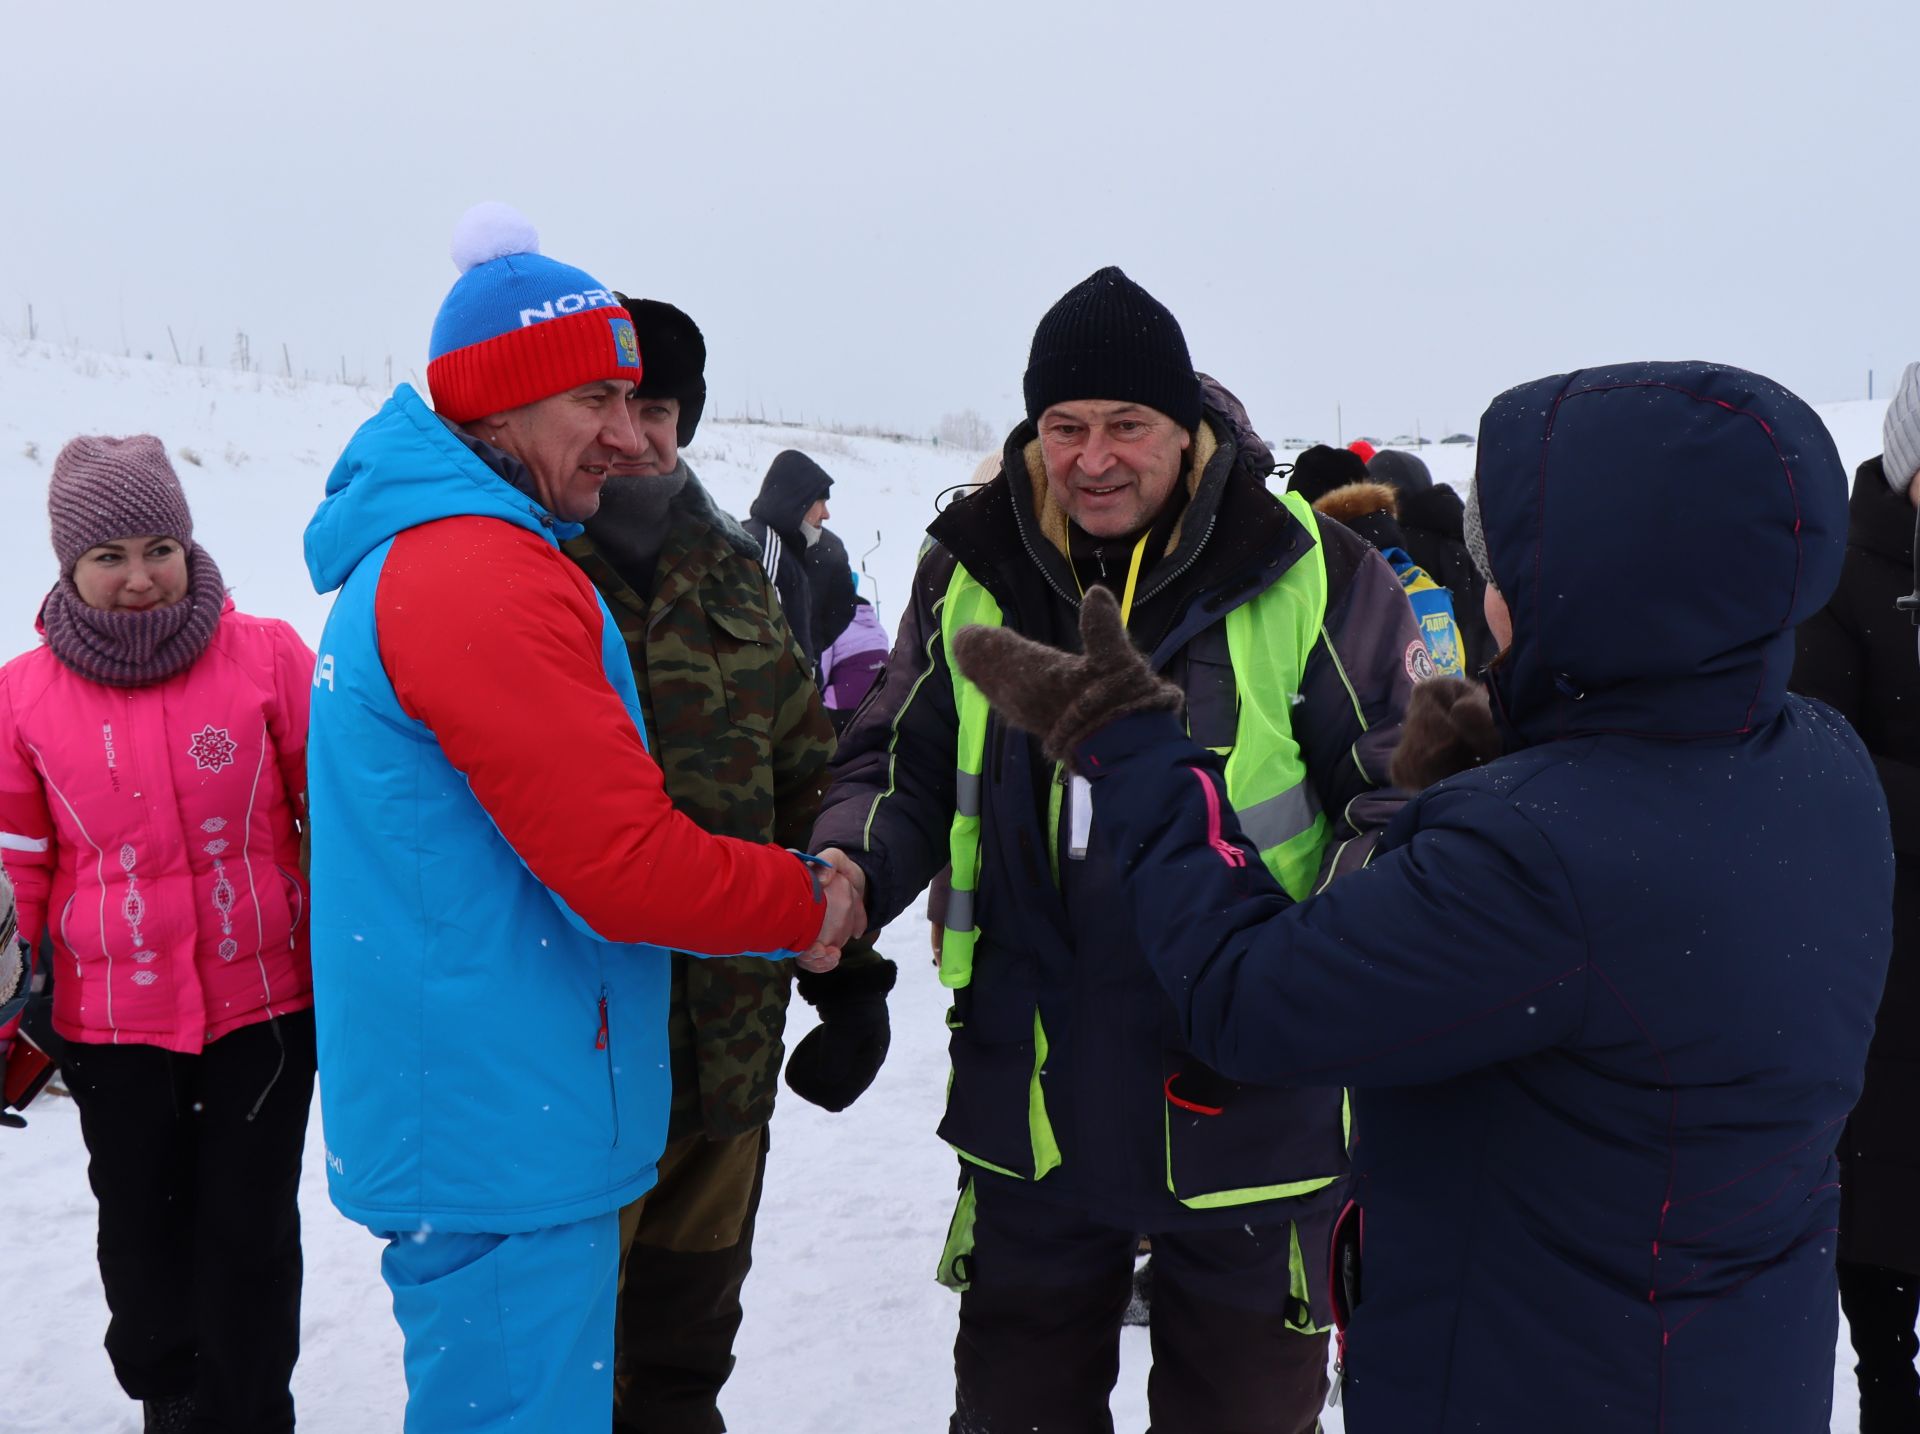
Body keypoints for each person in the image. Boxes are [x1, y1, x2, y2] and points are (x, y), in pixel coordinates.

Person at [951, 359, 1892, 1433]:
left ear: (1589, 582)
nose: (1489, 587)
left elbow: (1244, 998)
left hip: (1537, 1381)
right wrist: (1527, 753)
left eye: (1512, 559)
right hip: (1723, 1364)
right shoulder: (1819, 763)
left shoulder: (1534, 857)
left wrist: (1134, 748)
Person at [812, 265, 1422, 1434]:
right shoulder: (971, 565)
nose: (1092, 458)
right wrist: (851, 869)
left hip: (1245, 1094)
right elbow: (901, 757)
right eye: (1064, 427)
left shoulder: (1309, 571)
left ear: (1186, 431)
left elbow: (1398, 802)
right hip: (1028, 1093)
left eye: (1126, 426)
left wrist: (1310, 973)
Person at [301, 204, 862, 1434]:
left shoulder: (466, 555)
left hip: (503, 1102)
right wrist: (808, 903)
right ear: (498, 405)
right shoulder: (477, 573)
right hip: (503, 1121)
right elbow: (621, 864)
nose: (627, 437)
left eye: (633, 400)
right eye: (594, 402)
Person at [560, 293, 897, 1433]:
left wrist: (849, 976)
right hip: (572, 1066)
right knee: (562, 1375)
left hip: (727, 1057)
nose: (632, 436)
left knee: (682, 1365)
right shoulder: (520, 564)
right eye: (603, 404)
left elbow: (809, 771)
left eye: (655, 409)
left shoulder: (733, 569)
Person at [0, 435, 318, 1434]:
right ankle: (169, 1397)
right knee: (141, 1233)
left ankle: (252, 1410)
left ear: (188, 544)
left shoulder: (265, 654)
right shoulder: (21, 696)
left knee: (249, 1232)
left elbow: (342, 813)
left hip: (265, 1010)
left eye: (159, 547)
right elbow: (20, 866)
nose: (140, 577)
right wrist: (19, 999)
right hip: (109, 1017)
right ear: (68, 566)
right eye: (109, 556)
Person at [1791, 358, 1920, 1432]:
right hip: (1883, 944)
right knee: (1880, 1191)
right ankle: (1886, 1383)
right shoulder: (1842, 575)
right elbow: (1820, 755)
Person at [1366, 448, 1493, 672]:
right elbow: (1484, 617)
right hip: (1474, 684)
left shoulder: (1389, 553)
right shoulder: (1462, 536)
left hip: (1418, 687)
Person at [744, 448, 845, 669]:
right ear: (796, 501)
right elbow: (758, 642)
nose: (826, 514)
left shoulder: (785, 549)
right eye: (820, 501)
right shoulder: (765, 548)